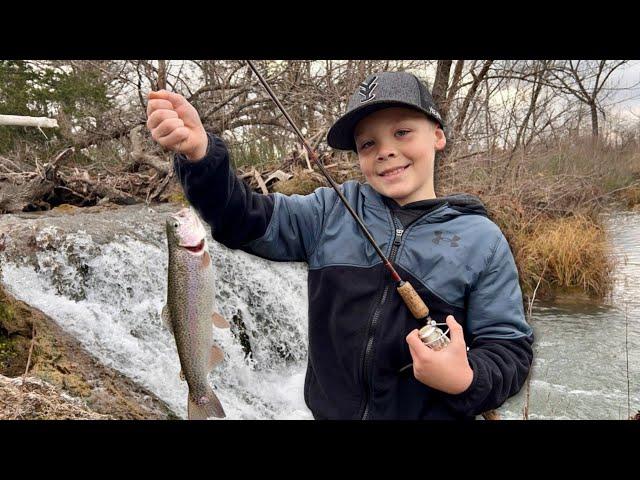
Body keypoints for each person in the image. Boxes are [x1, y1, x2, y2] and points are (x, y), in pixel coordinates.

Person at [146, 70, 534, 420]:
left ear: (437, 135)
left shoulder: (482, 240)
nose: (385, 150)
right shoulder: (329, 211)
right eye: (367, 143)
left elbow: (510, 352)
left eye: (402, 132)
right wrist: (199, 156)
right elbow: (242, 218)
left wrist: (465, 378)